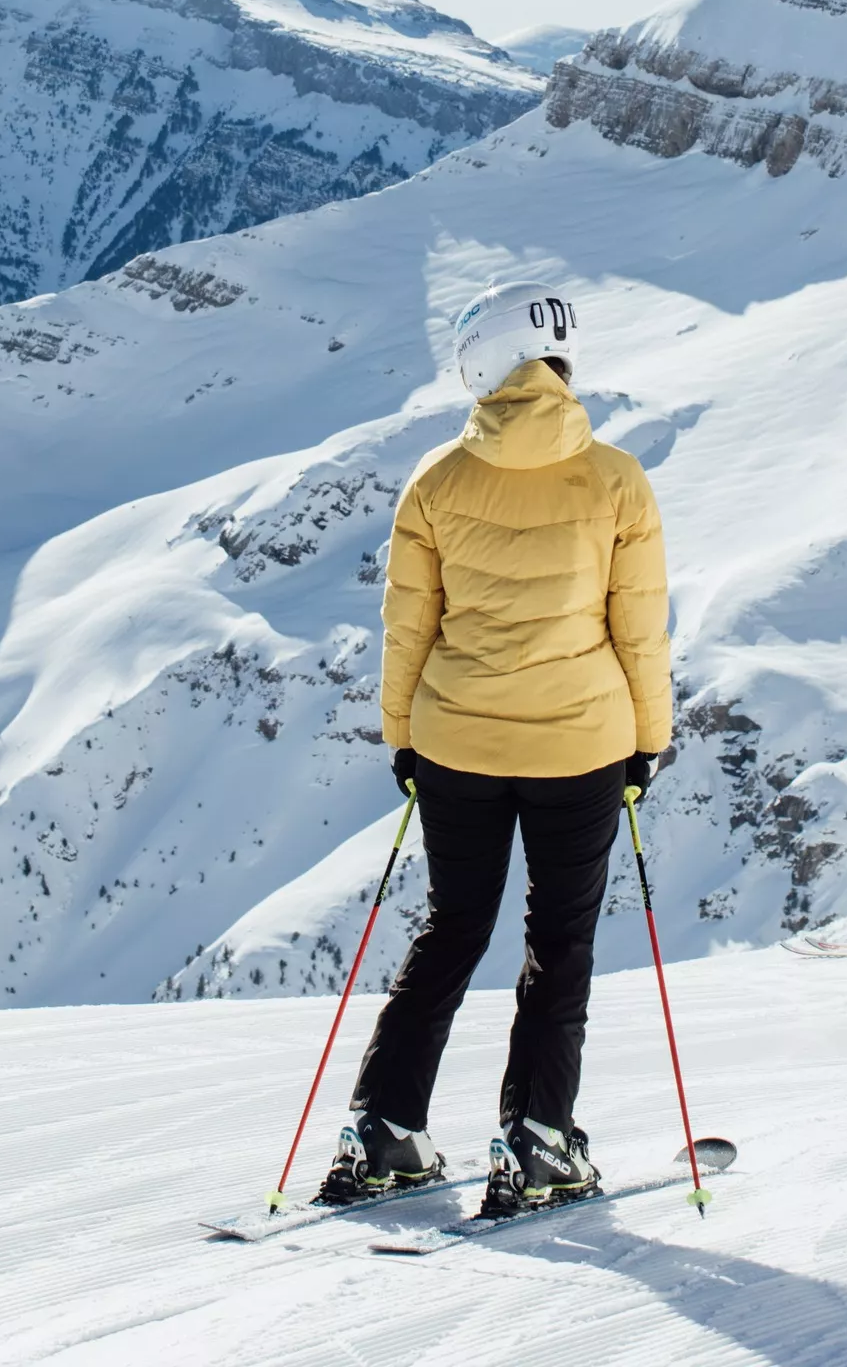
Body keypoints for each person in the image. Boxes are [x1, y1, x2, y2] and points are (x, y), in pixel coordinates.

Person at [318, 280, 673, 1215]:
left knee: (451, 928)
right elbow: (638, 626)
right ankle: (539, 1141)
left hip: (455, 742)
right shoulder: (616, 479)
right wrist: (646, 740)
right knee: (559, 944)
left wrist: (402, 737)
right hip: (581, 745)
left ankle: (384, 1132)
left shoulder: (435, 480)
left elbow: (409, 626)